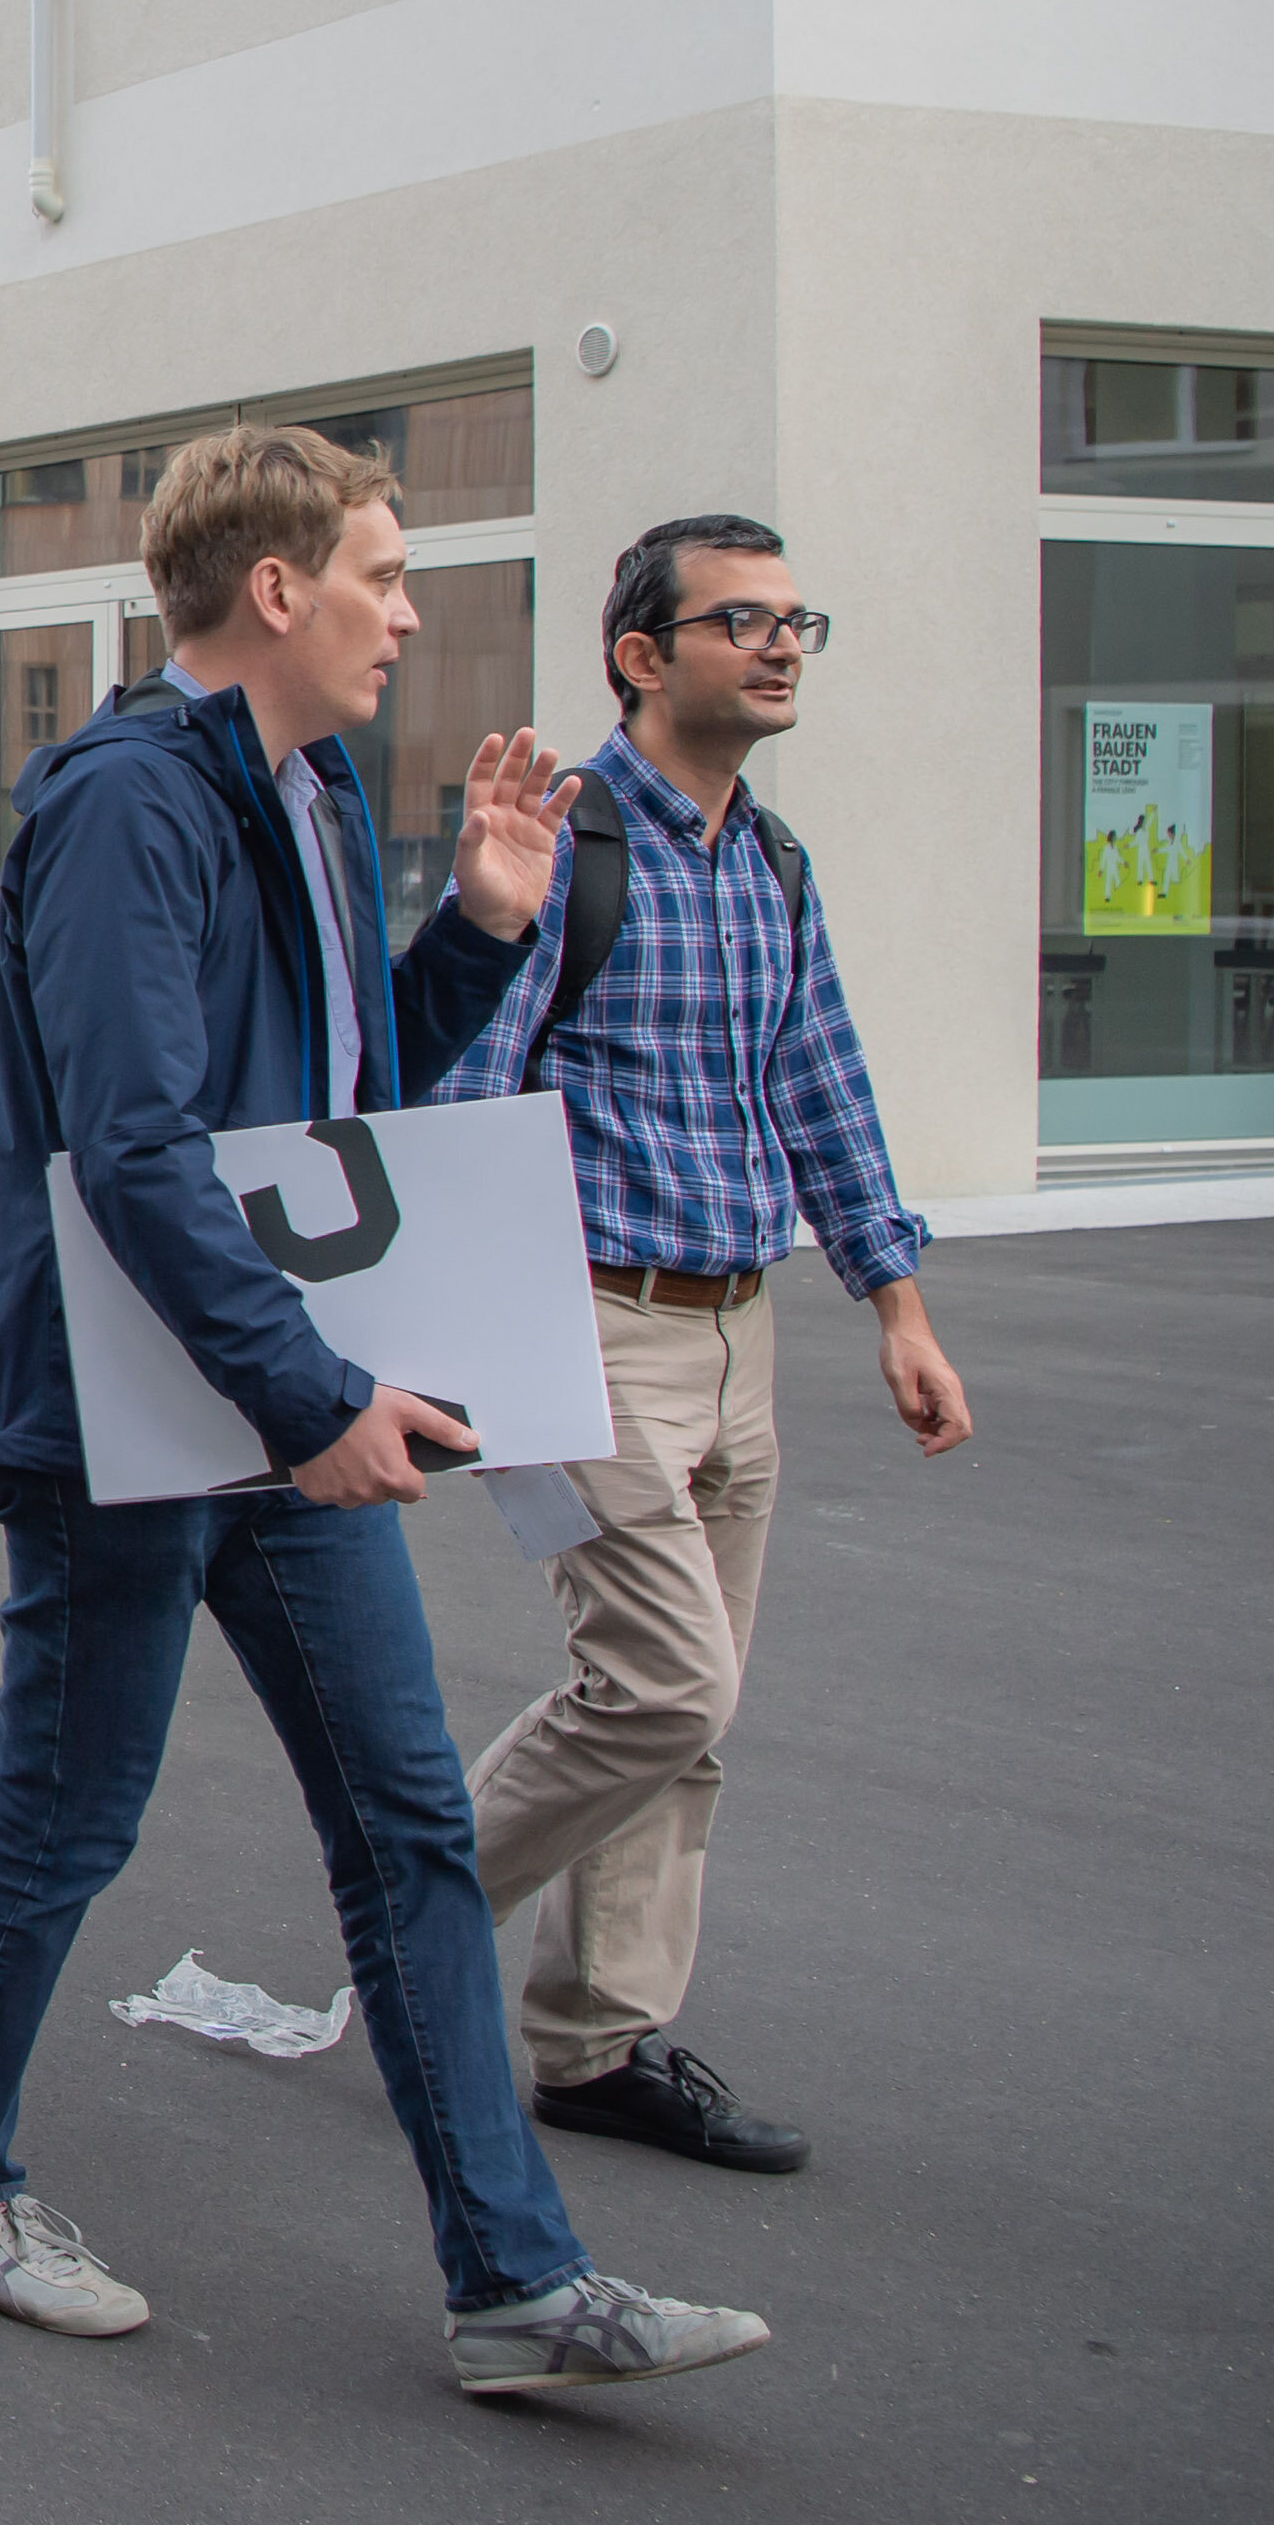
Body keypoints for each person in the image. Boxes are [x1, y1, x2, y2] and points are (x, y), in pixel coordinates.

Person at [0, 425, 770, 2397]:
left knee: (407, 1827)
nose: (406, 610)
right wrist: (305, 1394)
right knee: (66, 1811)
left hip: (274, 1398)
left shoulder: (294, 782)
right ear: (275, 586)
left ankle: (515, 2281)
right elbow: (133, 1147)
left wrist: (476, 921)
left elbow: (329, 1107)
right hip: (120, 1410)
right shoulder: (128, 797)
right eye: (381, 572)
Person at [423, 516, 972, 2175]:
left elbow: (821, 1087)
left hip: (739, 1331)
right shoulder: (568, 843)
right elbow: (453, 1095)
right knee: (665, 1681)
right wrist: (449, 1353)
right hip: (583, 1326)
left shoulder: (773, 861)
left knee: (688, 1721)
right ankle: (413, 1914)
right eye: (740, 620)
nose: (782, 643)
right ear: (641, 656)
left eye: (797, 616)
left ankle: (596, 2041)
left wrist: (899, 1305)